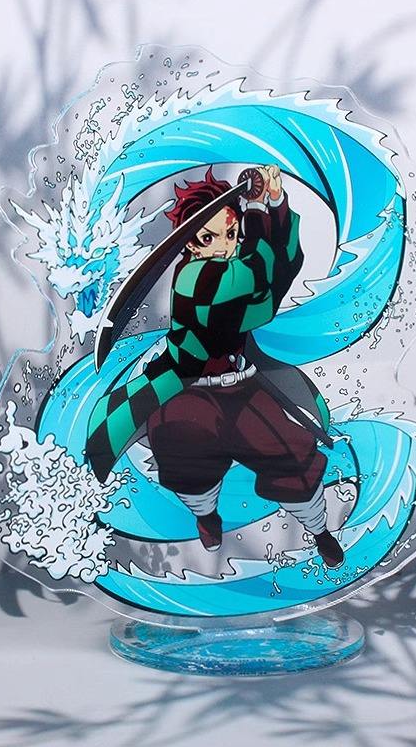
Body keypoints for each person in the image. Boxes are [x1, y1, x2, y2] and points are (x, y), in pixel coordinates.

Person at [86, 165, 344, 568]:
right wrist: (256, 210)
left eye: (231, 234)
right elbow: (258, 273)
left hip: (241, 387)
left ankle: (319, 529)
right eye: (209, 237)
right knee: (188, 465)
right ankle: (206, 518)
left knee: (293, 457)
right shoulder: (195, 277)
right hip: (188, 393)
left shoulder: (233, 271)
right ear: (190, 243)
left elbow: (278, 275)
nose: (224, 246)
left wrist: (276, 202)